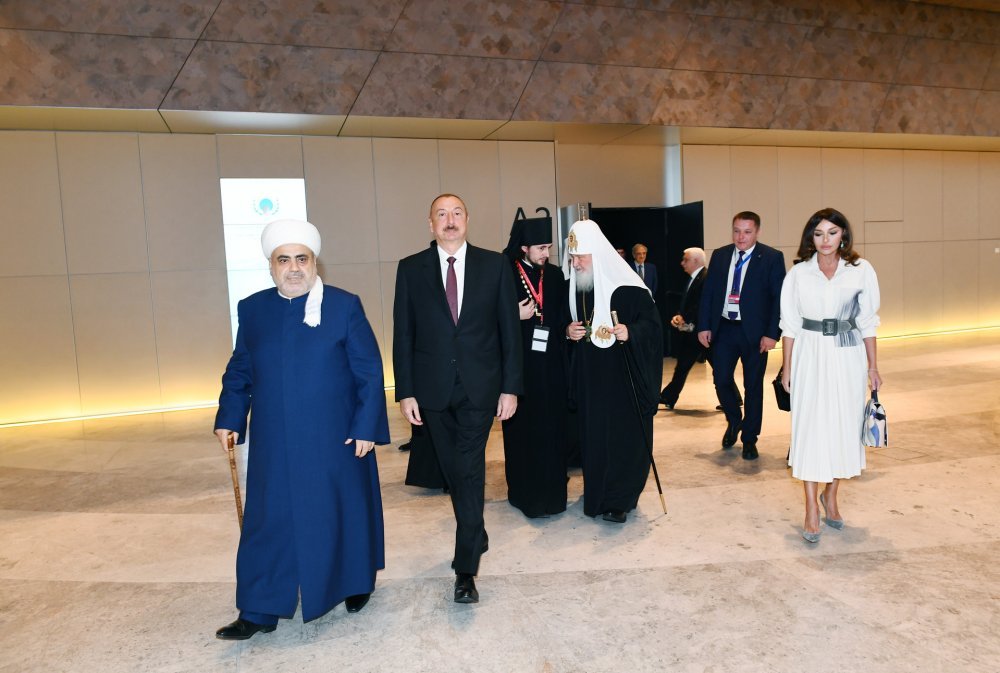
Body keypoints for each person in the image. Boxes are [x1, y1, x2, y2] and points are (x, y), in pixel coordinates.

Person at [213, 219, 389, 640]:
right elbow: (240, 369)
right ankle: (258, 608)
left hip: (337, 436)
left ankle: (355, 582)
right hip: (274, 440)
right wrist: (230, 417)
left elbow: (368, 372)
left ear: (314, 262)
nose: (293, 268)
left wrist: (366, 426)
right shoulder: (253, 309)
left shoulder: (344, 306)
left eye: (301, 259)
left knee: (340, 513)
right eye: (283, 260)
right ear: (271, 266)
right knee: (268, 520)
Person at [393, 193, 522, 603]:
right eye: (441, 214)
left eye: (457, 213)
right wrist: (405, 391)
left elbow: (509, 331)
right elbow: (403, 333)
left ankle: (465, 570)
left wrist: (511, 387)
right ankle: (475, 528)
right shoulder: (410, 268)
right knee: (454, 471)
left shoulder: (494, 265)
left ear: (468, 219)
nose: (450, 220)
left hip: (480, 387)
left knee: (468, 470)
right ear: (430, 223)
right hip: (431, 390)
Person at [779, 208, 881, 543]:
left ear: (843, 235)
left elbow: (868, 322)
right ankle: (810, 506)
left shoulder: (860, 270)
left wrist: (873, 367)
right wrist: (787, 367)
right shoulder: (798, 273)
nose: (826, 240)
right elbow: (789, 325)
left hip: (847, 355)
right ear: (811, 237)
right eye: (819, 233)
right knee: (809, 428)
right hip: (809, 354)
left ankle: (831, 495)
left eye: (832, 232)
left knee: (843, 427)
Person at [564, 220, 663, 523]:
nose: (575, 264)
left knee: (623, 439)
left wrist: (631, 332)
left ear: (597, 255)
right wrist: (568, 332)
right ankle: (597, 494)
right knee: (595, 438)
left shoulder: (630, 288)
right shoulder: (576, 288)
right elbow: (563, 324)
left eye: (581, 257)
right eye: (572, 257)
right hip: (591, 382)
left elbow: (653, 328)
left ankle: (620, 500)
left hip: (622, 380)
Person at [698, 211, 785, 460]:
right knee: (721, 379)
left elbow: (778, 299)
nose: (741, 237)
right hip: (724, 329)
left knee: (753, 386)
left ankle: (749, 438)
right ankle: (735, 420)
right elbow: (708, 293)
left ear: (757, 232)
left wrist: (772, 334)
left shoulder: (771, 258)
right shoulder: (720, 255)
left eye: (747, 232)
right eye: (736, 231)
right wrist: (704, 326)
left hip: (755, 334)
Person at [500, 215, 570, 518]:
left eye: (549, 247)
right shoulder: (504, 273)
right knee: (523, 432)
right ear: (524, 248)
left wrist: (567, 329)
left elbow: (562, 314)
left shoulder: (553, 275)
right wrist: (512, 315)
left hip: (551, 367)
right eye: (541, 248)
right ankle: (523, 492)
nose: (546, 254)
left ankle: (553, 493)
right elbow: (483, 319)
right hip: (519, 368)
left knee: (552, 430)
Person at [659, 247, 707, 409]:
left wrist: (684, 318)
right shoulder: (694, 278)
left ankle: (668, 396)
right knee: (682, 365)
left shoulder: (705, 278)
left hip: (701, 332)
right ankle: (668, 396)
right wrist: (680, 315)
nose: (682, 263)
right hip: (694, 332)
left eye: (685, 260)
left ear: (696, 261)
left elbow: (700, 304)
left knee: (685, 366)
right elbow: (687, 302)